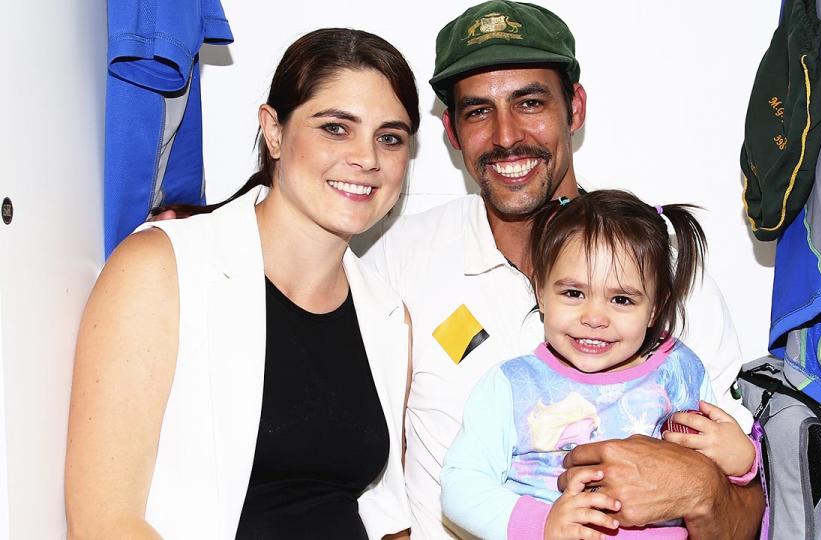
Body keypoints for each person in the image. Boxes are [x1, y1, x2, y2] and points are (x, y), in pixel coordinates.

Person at [365, 1, 766, 538]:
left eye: (529, 102)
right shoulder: (397, 260)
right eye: (478, 111)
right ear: (452, 132)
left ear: (574, 108)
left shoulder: (661, 260)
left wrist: (700, 486)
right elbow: (369, 480)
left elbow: (746, 507)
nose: (506, 135)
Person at [65, 28, 419, 539]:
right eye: (336, 128)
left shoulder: (388, 315)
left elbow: (387, 518)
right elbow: (104, 521)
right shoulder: (162, 268)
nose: (367, 158)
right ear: (273, 131)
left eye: (390, 137)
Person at [440, 191, 760, 539]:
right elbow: (461, 486)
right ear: (541, 292)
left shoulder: (679, 372)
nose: (594, 317)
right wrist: (542, 524)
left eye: (621, 299)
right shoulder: (512, 385)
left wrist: (743, 461)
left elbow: (712, 468)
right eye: (573, 294)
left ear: (654, 308)